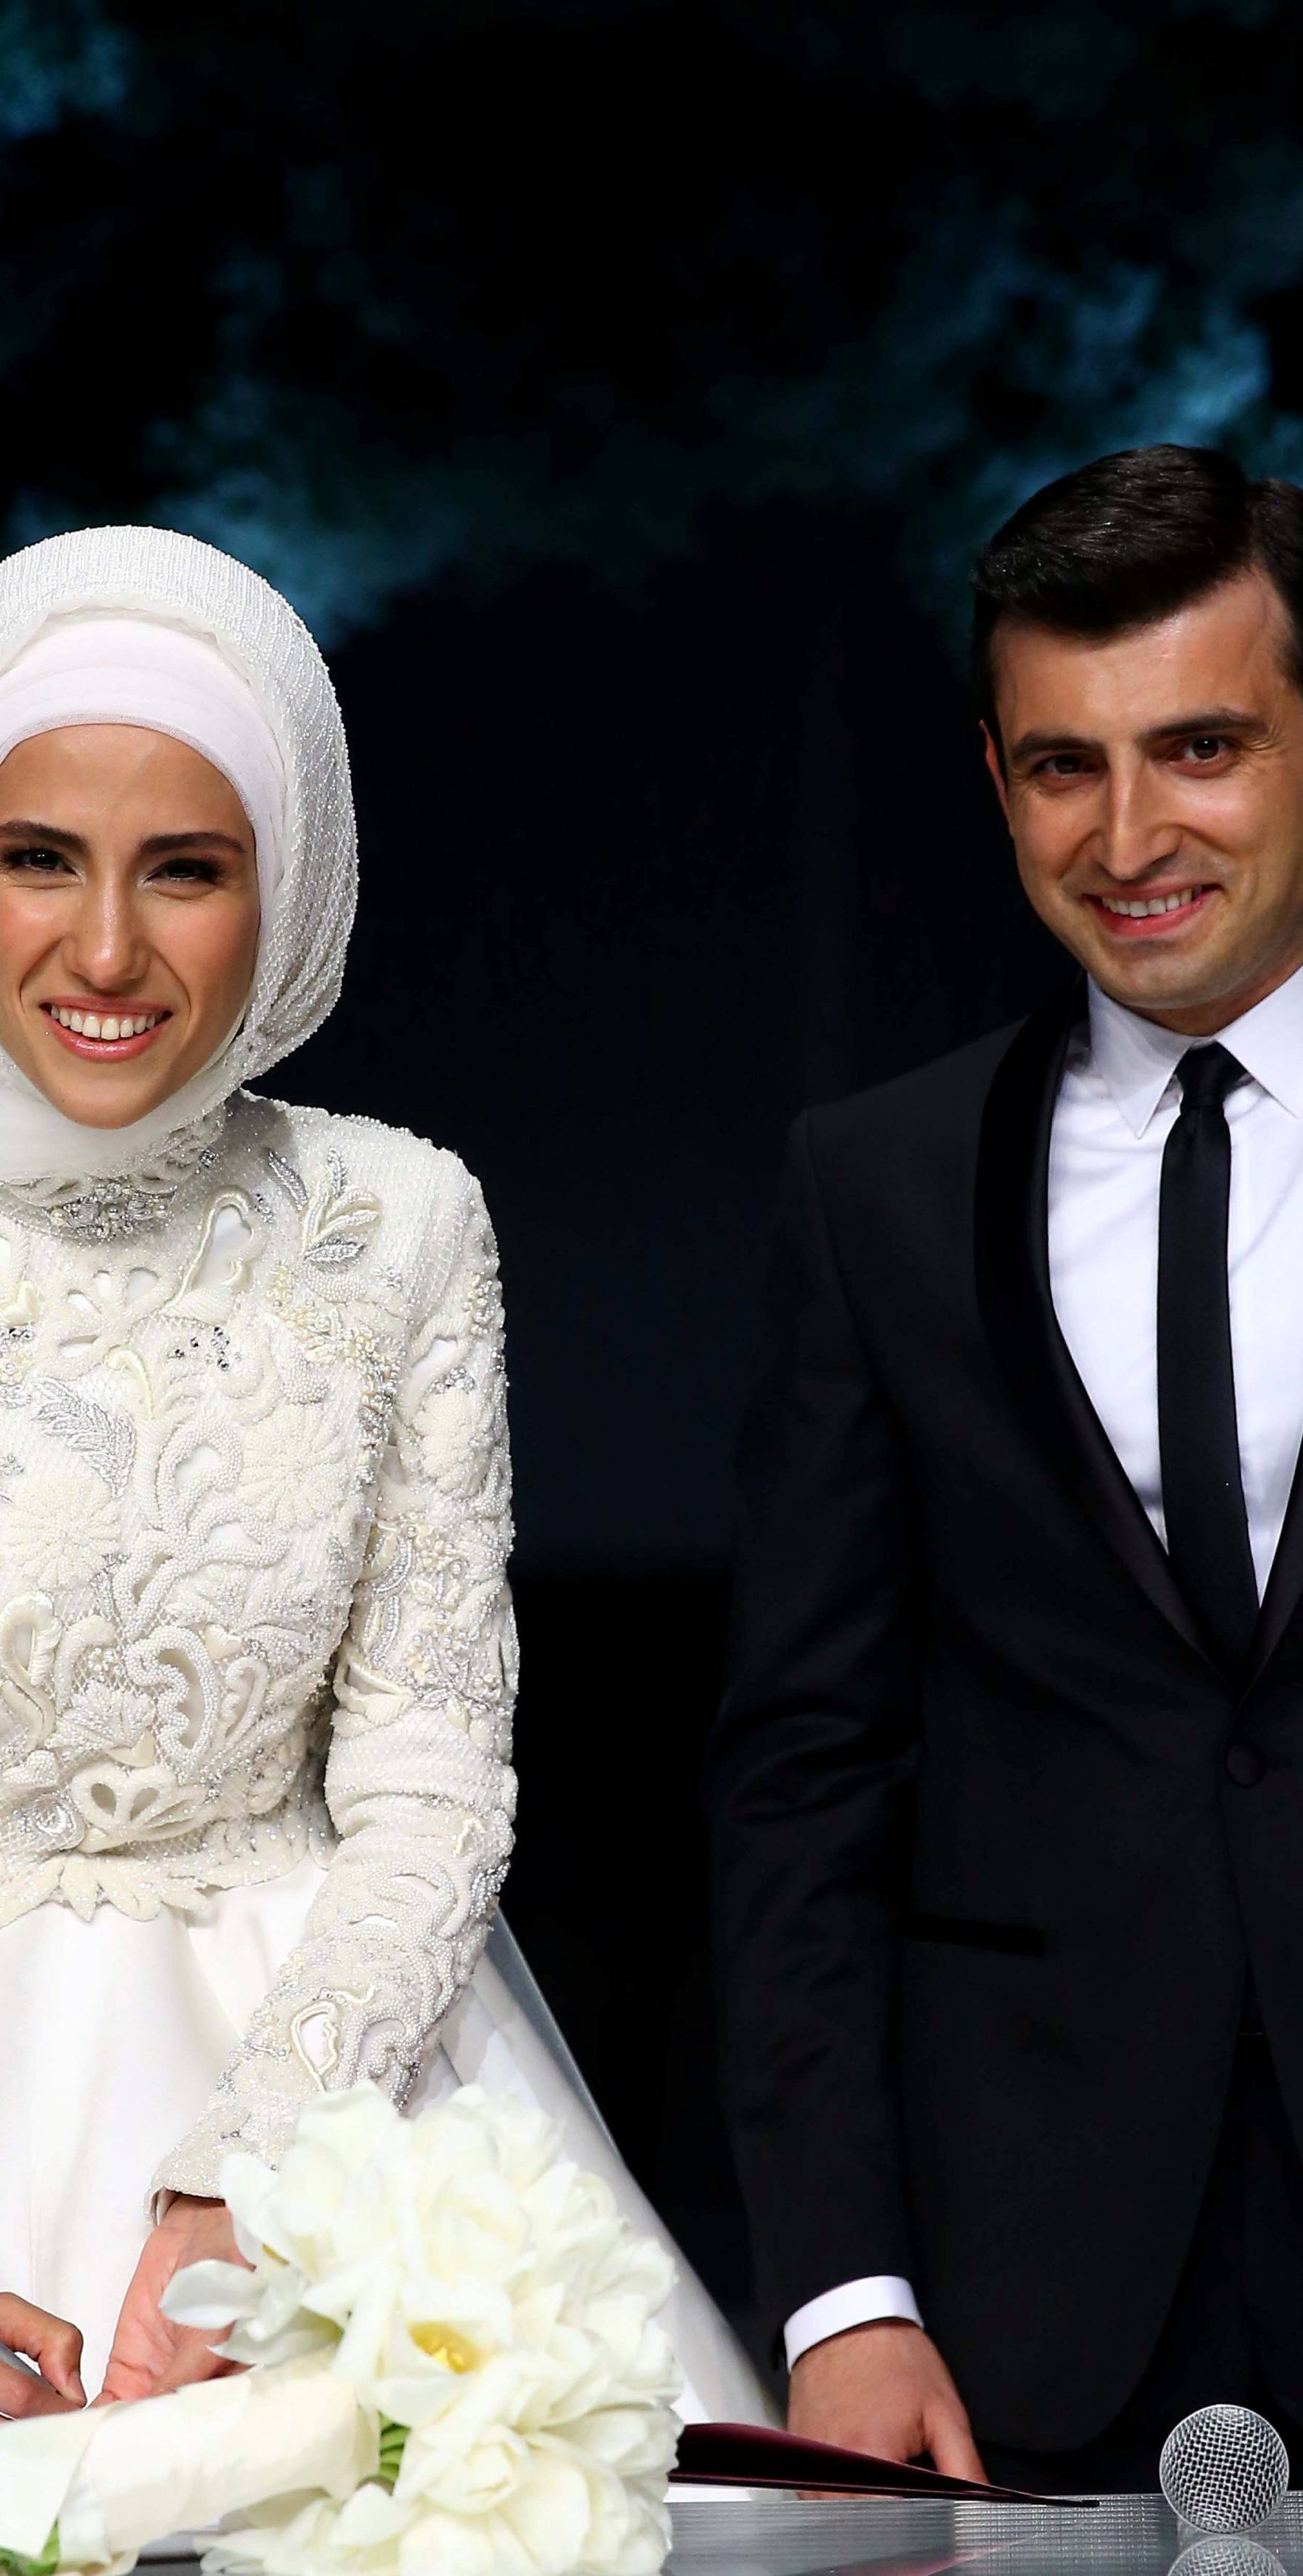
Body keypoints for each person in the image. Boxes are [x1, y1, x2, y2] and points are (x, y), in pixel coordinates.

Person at [0, 523, 770, 2485]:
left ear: (283, 895)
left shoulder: (397, 1227)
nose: (104, 950)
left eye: (184, 868)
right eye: (39, 855)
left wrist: (258, 2167)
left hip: (336, 2076)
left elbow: (432, 1778)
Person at [709, 443, 1303, 2490]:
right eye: (1065, 764)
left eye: (1202, 744)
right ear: (993, 776)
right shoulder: (870, 1186)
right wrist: (842, 2295)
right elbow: (805, 1771)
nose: (1132, 832)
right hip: (1024, 2291)